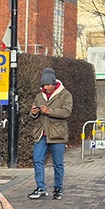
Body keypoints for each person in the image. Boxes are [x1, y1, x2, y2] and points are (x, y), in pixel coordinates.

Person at [27, 68, 73, 200]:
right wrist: (34, 113)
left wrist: (49, 111)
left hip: (57, 134)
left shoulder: (65, 95)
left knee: (57, 163)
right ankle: (40, 188)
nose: (45, 88)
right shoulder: (39, 96)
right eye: (43, 85)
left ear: (53, 84)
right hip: (41, 133)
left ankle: (58, 188)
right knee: (37, 159)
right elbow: (33, 113)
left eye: (47, 85)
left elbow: (66, 112)